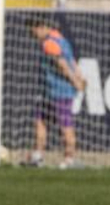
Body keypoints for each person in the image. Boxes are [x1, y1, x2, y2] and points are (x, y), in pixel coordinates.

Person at [23, 18, 87, 169]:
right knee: (40, 121)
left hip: (59, 91)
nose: (33, 36)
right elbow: (72, 61)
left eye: (33, 32)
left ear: (40, 27)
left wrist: (75, 81)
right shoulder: (61, 38)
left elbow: (62, 65)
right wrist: (80, 76)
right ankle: (37, 156)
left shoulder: (49, 43)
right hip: (49, 91)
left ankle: (69, 159)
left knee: (65, 125)